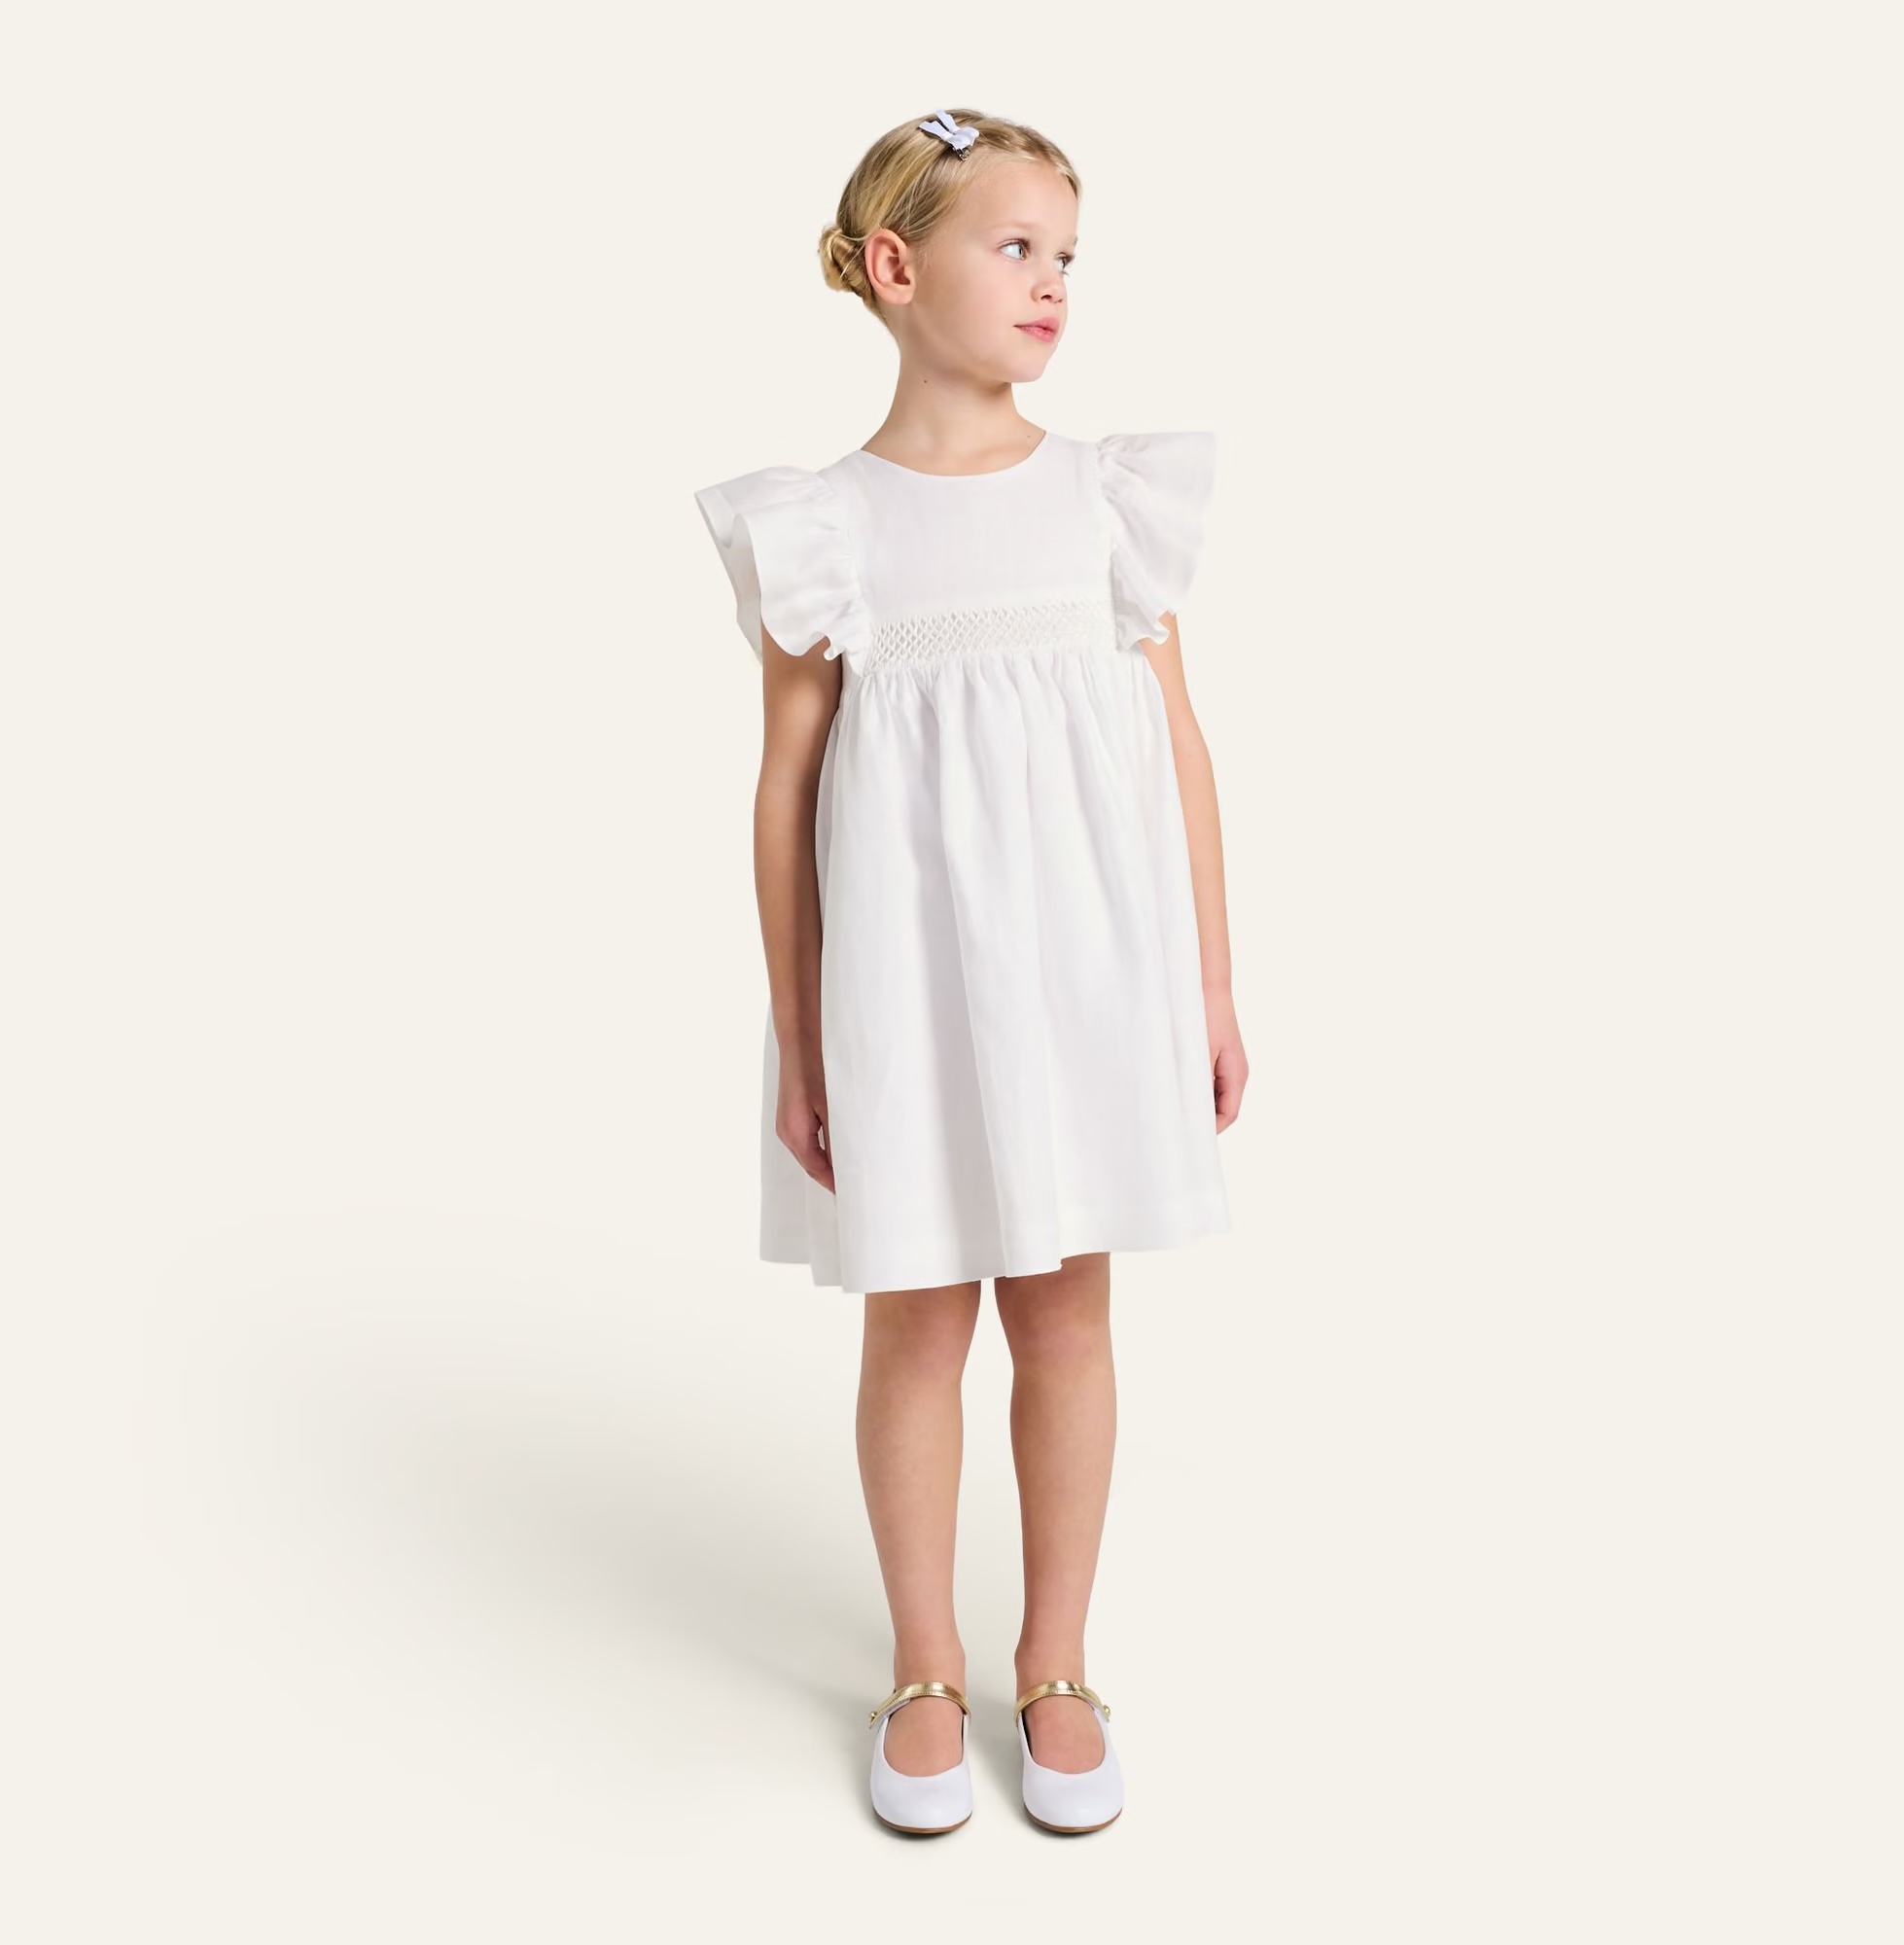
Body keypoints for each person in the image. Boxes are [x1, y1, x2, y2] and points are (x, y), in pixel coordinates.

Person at [693, 107, 1249, 1837]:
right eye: (1016, 248)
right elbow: (786, 788)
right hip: (912, 993)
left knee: (1068, 1315)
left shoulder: (1108, 501)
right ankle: (924, 1665)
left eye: (1067, 256)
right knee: (920, 1318)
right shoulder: (826, 526)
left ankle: (1056, 1661)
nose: (1053, 283)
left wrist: (1211, 988)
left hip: (1091, 980)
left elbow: (1177, 745)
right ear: (894, 267)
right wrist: (802, 1037)